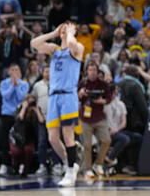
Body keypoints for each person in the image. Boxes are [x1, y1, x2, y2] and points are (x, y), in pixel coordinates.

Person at [30, 22, 84, 187]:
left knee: (68, 136)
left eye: (67, 29)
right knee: (53, 138)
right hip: (53, 97)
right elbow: (34, 43)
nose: (64, 32)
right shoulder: (54, 49)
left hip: (68, 96)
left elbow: (73, 43)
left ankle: (69, 171)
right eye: (63, 29)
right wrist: (53, 33)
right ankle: (71, 163)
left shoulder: (77, 48)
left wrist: (70, 33)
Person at [78, 61, 112, 178]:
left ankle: (98, 164)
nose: (92, 72)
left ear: (98, 72)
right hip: (85, 118)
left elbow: (108, 98)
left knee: (106, 140)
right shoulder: (82, 83)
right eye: (90, 70)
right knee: (86, 145)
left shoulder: (103, 84)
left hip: (99, 116)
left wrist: (102, 101)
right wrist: (80, 94)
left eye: (94, 70)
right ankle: (87, 168)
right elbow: (75, 97)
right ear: (87, 71)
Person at [0, 62, 30, 175]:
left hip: (19, 114)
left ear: (20, 72)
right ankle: (4, 164)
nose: (15, 72)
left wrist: (16, 86)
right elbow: (5, 96)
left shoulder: (24, 84)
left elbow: (22, 97)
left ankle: (20, 165)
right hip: (7, 114)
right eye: (13, 70)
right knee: (5, 140)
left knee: (20, 140)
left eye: (17, 70)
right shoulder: (3, 83)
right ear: (9, 72)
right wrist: (12, 85)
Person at [31, 65, 59, 176]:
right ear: (42, 73)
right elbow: (34, 101)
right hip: (42, 117)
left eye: (50, 71)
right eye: (46, 71)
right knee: (42, 142)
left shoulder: (57, 84)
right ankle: (42, 165)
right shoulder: (37, 85)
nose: (48, 74)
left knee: (55, 142)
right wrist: (38, 114)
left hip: (55, 118)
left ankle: (57, 164)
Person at [9, 94, 43, 176]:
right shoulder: (20, 108)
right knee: (16, 152)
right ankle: (15, 167)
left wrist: (36, 110)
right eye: (29, 101)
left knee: (29, 150)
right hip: (17, 136)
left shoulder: (36, 110)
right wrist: (24, 107)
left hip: (29, 137)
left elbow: (41, 121)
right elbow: (20, 118)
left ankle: (25, 170)